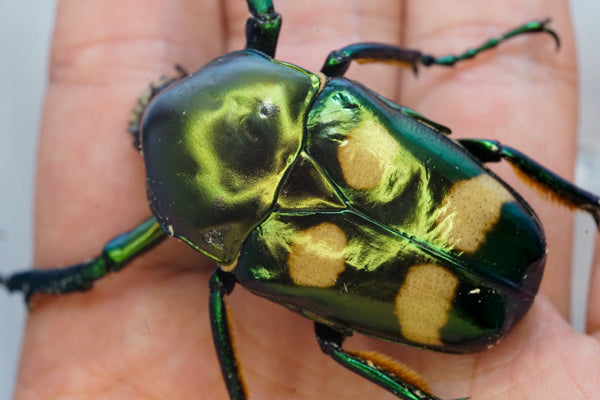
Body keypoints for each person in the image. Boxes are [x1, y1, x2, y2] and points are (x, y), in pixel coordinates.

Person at [14, 0, 600, 398]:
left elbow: (119, 258)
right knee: (492, 149)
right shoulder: (327, 95)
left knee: (329, 341)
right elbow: (263, 15)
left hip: (475, 288)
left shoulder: (234, 263)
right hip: (496, 260)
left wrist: (87, 272)